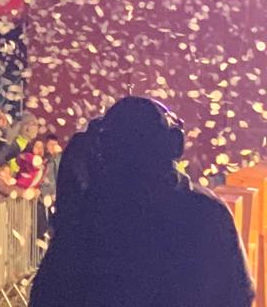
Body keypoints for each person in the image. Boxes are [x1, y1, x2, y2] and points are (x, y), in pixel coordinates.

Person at [30, 96, 253, 307]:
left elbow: (48, 295)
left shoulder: (91, 215)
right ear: (173, 145)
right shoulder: (206, 211)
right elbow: (239, 293)